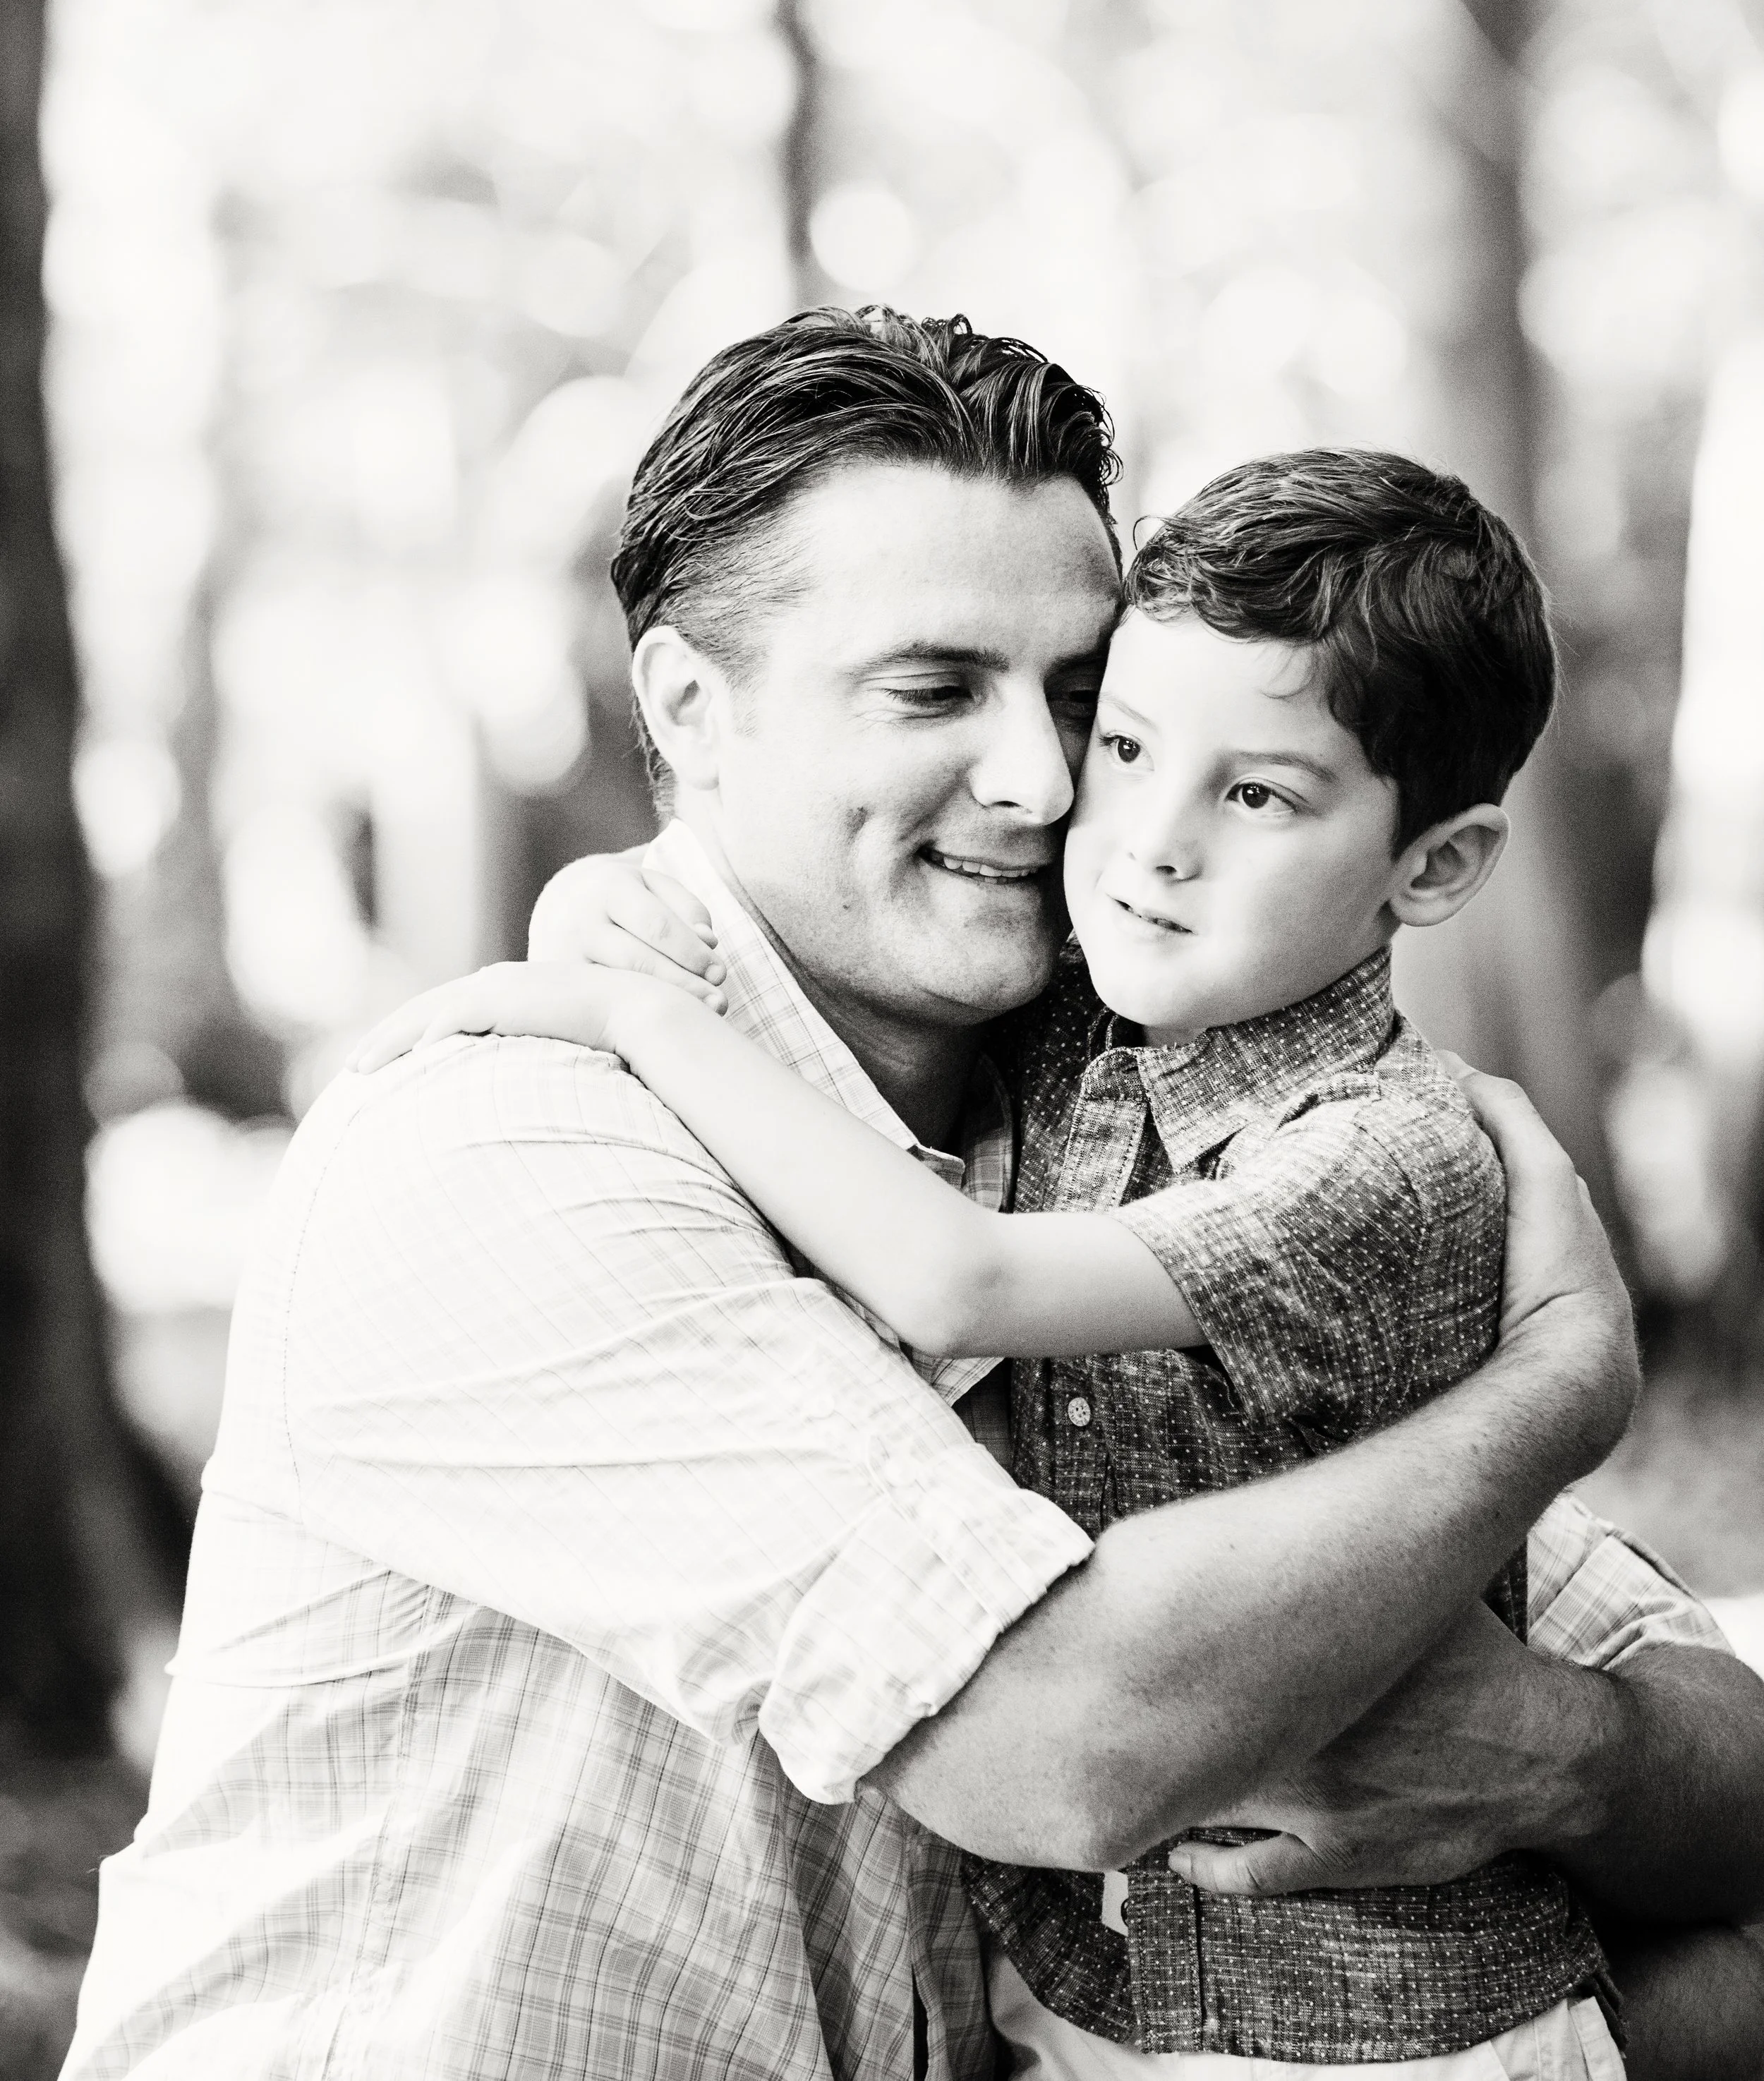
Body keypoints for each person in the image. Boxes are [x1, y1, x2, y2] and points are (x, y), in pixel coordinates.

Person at [64, 310, 1764, 2081]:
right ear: (685, 710)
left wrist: (1567, 1753)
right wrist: (1552, 1393)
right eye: (933, 689)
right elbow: (1073, 1745)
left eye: (1084, 701)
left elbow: (1716, 1754)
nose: (1042, 785)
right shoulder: (511, 1153)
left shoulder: (1158, 1133)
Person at [356, 447, 1618, 2072]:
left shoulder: (1371, 1150)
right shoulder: (548, 1154)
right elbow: (1061, 1749)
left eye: (1247, 791)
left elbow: (961, 1284)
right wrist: (612, 914)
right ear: (684, 704)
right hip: (1107, 2013)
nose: (1080, 809)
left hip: (1369, 2034)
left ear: (1430, 866)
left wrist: (1559, 1396)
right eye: (1127, 743)